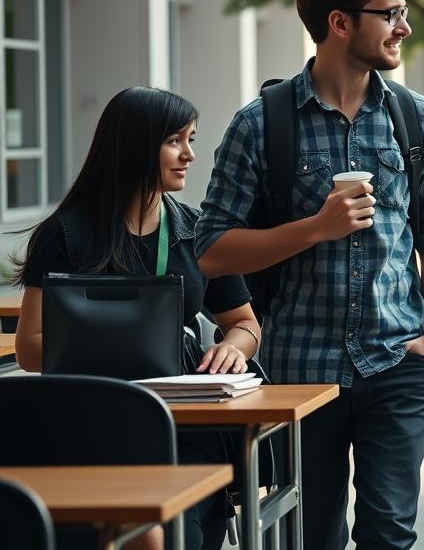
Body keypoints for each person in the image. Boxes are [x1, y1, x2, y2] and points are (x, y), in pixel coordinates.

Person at [195, 0, 424, 550]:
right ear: (339, 23)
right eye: (389, 13)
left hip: (400, 360)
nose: (404, 25)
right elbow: (211, 249)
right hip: (299, 372)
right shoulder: (262, 123)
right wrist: (316, 226)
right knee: (313, 536)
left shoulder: (417, 120)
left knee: (389, 532)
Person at [13, 87, 261, 550]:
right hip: (89, 429)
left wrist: (233, 346)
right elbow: (29, 348)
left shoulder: (198, 232)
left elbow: (246, 323)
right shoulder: (64, 234)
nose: (189, 154)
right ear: (133, 147)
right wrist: (112, 353)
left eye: (191, 139)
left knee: (168, 533)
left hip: (184, 431)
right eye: (175, 141)